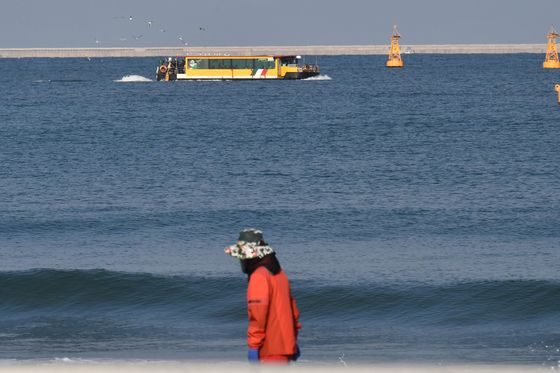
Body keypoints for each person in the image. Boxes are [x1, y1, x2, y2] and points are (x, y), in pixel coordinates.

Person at [225, 229, 301, 364]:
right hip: (285, 346)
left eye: (242, 256)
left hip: (269, 349)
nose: (240, 260)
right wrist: (293, 339)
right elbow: (293, 312)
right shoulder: (279, 273)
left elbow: (258, 316)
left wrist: (253, 346)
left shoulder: (259, 276)